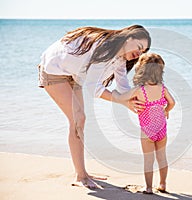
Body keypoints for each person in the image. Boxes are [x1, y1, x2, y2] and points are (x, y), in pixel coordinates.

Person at [37, 25, 151, 189]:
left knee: (80, 120)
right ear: (128, 38)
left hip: (72, 73)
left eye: (143, 52)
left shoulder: (120, 58)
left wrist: (136, 100)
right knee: (78, 119)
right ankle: (81, 176)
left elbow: (123, 89)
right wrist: (122, 101)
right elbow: (95, 89)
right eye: (139, 48)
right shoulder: (104, 49)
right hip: (53, 70)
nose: (139, 54)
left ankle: (82, 173)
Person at [112, 53, 175, 194]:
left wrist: (115, 94)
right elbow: (172, 102)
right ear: (160, 71)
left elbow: (122, 98)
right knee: (162, 157)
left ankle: (148, 188)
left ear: (140, 71)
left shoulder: (139, 90)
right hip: (162, 129)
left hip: (147, 131)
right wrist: (166, 110)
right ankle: (163, 184)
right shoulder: (163, 89)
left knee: (148, 160)